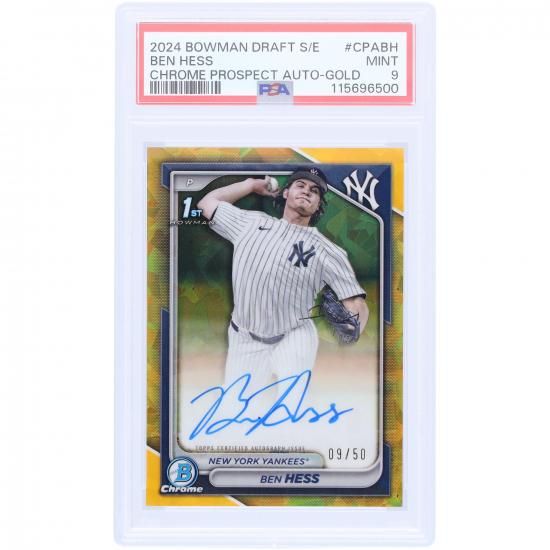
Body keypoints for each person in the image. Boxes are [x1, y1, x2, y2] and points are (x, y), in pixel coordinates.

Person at [197, 167, 369, 393]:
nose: (307, 191)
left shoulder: (328, 251)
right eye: (300, 185)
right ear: (286, 193)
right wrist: (251, 184)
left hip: (294, 336)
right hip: (244, 338)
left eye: (314, 191)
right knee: (236, 406)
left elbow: (355, 301)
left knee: (292, 405)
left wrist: (355, 328)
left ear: (318, 204)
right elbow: (206, 203)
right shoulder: (250, 223)